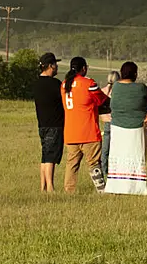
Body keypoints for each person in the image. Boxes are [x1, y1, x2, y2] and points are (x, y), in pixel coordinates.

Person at [104, 61, 147, 196]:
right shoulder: (141, 88)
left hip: (117, 128)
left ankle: (117, 185)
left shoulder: (116, 87)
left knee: (119, 157)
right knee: (136, 156)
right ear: (135, 74)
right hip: (137, 127)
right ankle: (136, 186)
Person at [62, 56, 108, 193]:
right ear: (83, 68)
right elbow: (102, 100)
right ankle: (101, 190)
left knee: (71, 164)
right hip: (88, 132)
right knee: (94, 163)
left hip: (70, 133)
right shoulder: (89, 83)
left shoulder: (64, 84)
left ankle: (69, 191)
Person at [34, 52, 64, 192]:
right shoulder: (55, 84)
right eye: (55, 64)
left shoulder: (37, 83)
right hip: (55, 124)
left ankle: (43, 186)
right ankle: (50, 187)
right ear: (51, 66)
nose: (57, 67)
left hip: (42, 124)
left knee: (45, 155)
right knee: (51, 156)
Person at [100, 70, 119, 177]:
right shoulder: (119, 92)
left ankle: (104, 170)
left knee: (105, 150)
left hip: (107, 123)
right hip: (117, 123)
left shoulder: (103, 91)